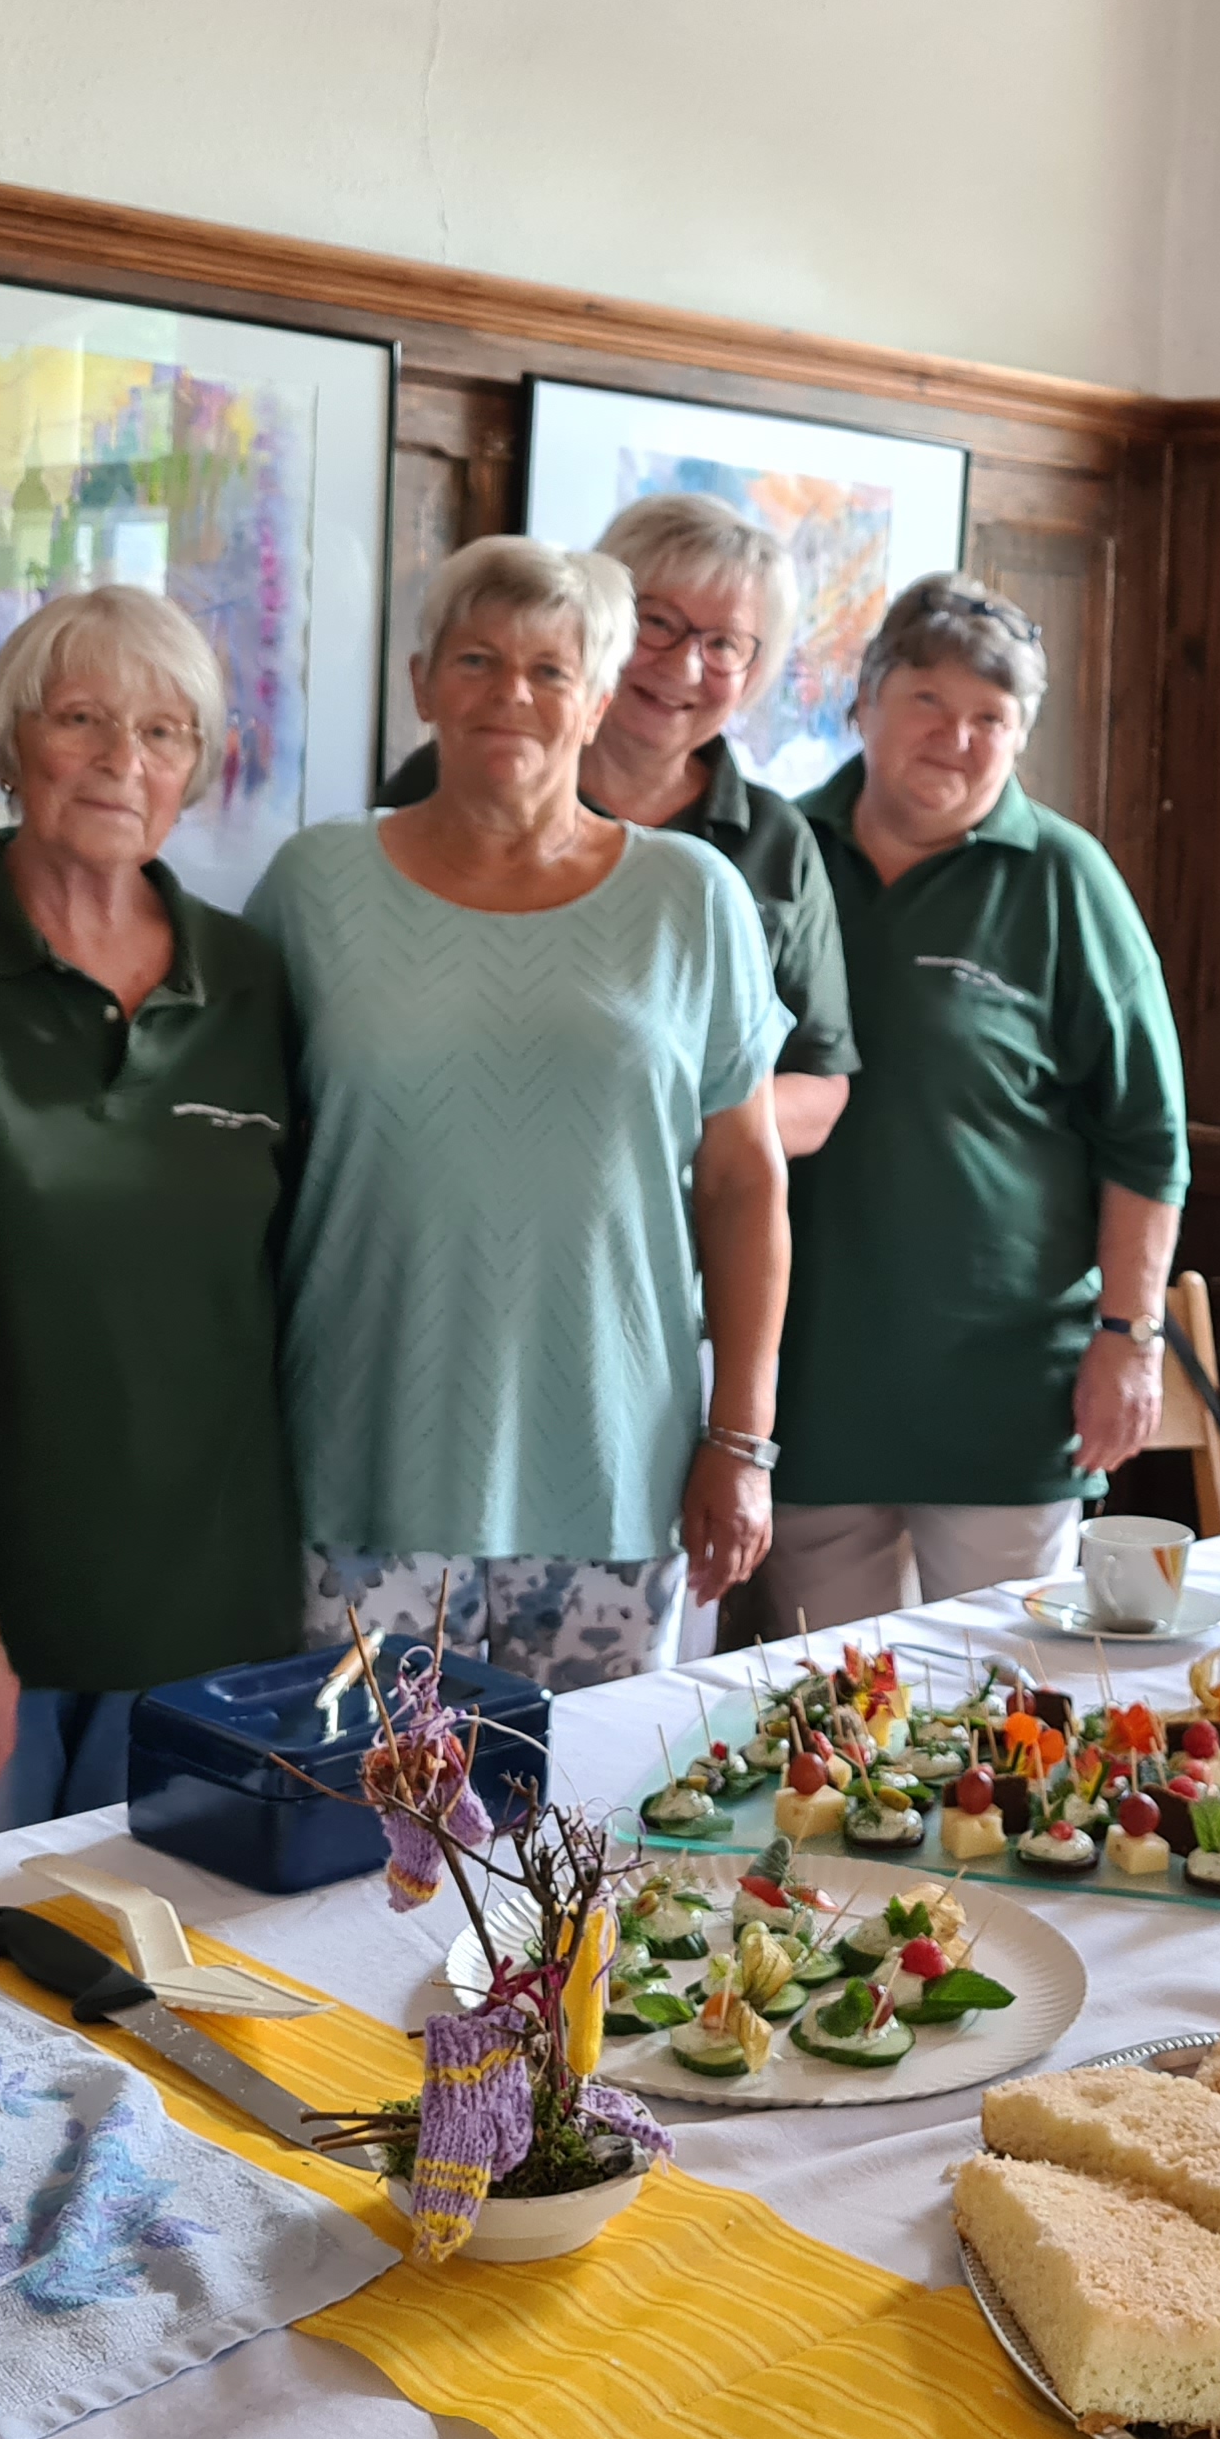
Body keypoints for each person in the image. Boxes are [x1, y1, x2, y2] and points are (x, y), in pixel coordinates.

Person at [250, 536, 790, 1689]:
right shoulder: (315, 885)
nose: (513, 696)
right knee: (360, 1844)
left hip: (614, 1470)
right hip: (361, 1456)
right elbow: (246, 1167)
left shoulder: (692, 898)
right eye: (479, 659)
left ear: (598, 701)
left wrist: (741, 1442)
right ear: (422, 683)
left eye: (552, 671)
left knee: (583, 1851)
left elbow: (745, 1182)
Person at [0, 586, 297, 1850]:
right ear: (14, 739)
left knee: (168, 1984)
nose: (122, 762)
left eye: (164, 733)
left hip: (212, 1606)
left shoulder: (252, 977)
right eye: (81, 719)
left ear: (198, 764)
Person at [759, 572, 1190, 1630]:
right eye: (927, 703)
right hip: (805, 1383)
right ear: (863, 703)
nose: (955, 738)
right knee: (833, 1720)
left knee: (1002, 1716)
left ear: (1021, 736)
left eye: (990, 718)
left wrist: (1129, 1341)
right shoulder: (775, 852)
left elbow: (1148, 1136)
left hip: (1009, 1397)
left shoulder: (1064, 878)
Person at [380, 490, 855, 1154]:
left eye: (724, 643)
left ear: (754, 673)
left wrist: (638, 1124)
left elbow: (819, 1085)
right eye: (657, 623)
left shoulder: (777, 840)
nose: (685, 665)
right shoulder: (453, 775)